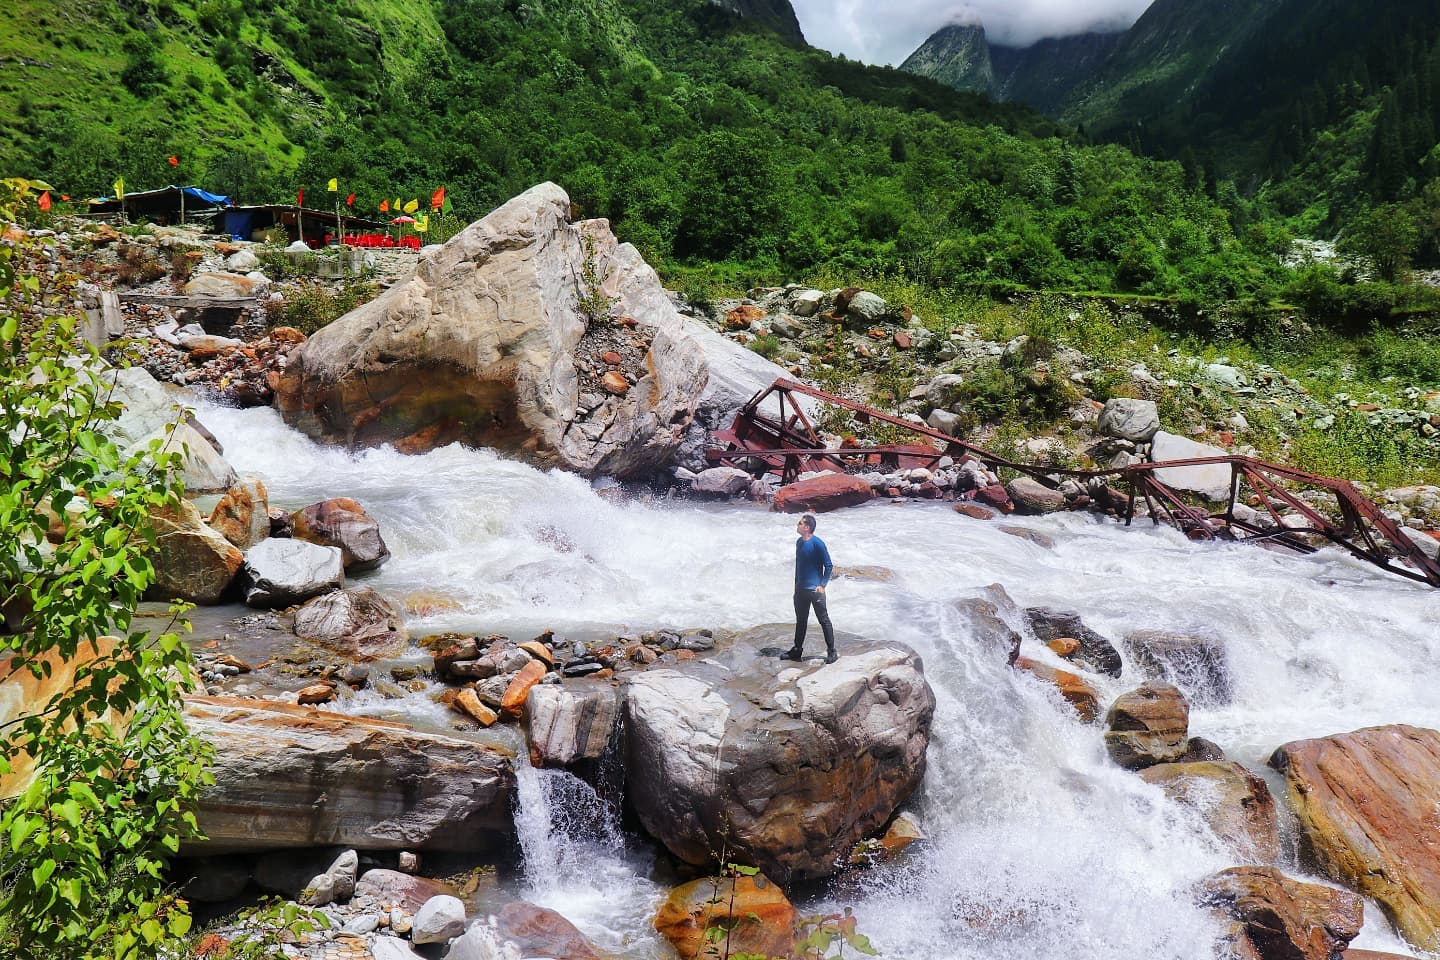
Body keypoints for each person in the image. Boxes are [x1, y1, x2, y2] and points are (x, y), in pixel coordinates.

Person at [783, 513, 836, 663]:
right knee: (801, 621)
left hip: (815, 590)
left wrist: (822, 585)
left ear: (807, 527)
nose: (797, 525)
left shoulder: (818, 543)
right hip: (800, 590)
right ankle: (797, 650)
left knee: (823, 620)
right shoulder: (799, 542)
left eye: (799, 523)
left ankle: (832, 651)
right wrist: (796, 587)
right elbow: (799, 566)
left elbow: (829, 565)